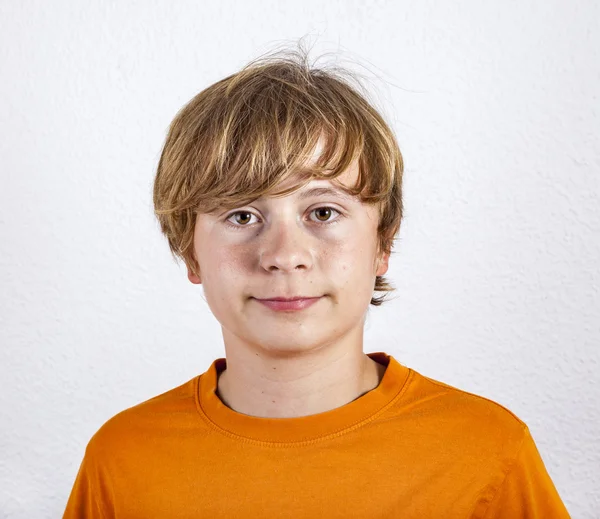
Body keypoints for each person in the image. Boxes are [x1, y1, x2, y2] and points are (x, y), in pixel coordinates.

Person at [62, 45, 571, 518]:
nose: (285, 256)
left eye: (323, 211)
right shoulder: (122, 462)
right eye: (241, 216)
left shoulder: (488, 455)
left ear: (382, 243)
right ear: (188, 250)